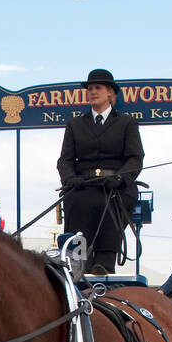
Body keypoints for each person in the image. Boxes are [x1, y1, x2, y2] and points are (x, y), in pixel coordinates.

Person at [57, 68, 144, 275]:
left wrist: (121, 177)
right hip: (84, 183)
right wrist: (70, 178)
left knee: (110, 202)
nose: (93, 92)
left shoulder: (126, 123)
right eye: (90, 89)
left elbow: (135, 157)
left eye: (98, 88)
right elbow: (65, 160)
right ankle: (79, 264)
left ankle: (104, 264)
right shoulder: (75, 124)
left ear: (111, 93)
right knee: (77, 201)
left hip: (114, 185)